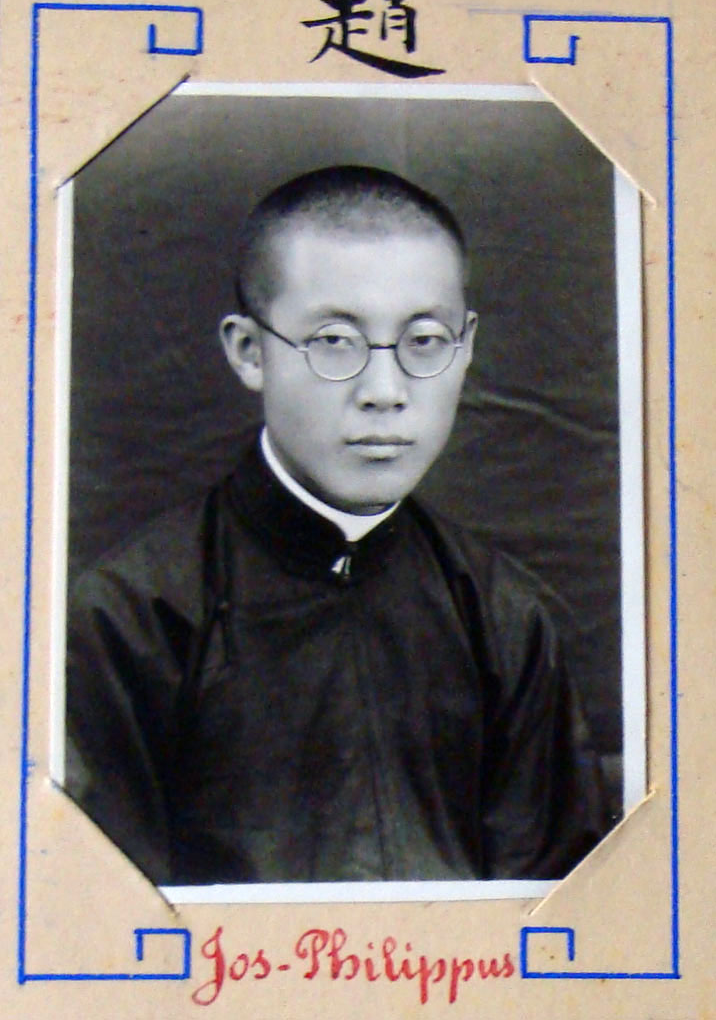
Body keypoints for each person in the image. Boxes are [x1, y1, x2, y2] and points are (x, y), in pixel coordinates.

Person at [65, 164, 607, 887]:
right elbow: (101, 923)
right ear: (249, 351)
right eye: (333, 341)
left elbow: (558, 913)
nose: (384, 392)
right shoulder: (130, 617)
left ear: (466, 347)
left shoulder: (503, 616)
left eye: (424, 340)